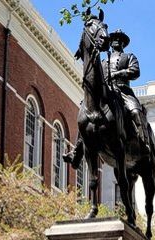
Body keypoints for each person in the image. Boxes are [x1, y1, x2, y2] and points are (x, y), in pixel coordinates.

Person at [64, 28, 150, 168]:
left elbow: (135, 72)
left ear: (123, 42)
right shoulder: (103, 62)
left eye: (119, 38)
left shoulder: (129, 57)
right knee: (85, 114)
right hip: (107, 92)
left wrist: (118, 74)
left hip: (123, 91)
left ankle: (143, 143)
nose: (116, 40)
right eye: (114, 38)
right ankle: (76, 151)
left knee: (135, 111)